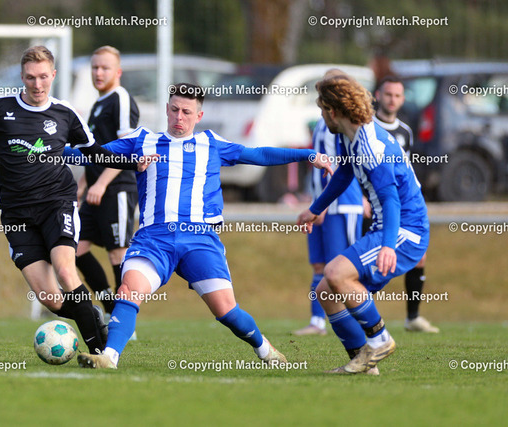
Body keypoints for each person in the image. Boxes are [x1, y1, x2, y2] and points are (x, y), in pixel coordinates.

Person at [0, 46, 152, 355]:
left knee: (66, 271)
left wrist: (132, 163)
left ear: (53, 75)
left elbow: (94, 153)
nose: (37, 84)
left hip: (57, 204)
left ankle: (101, 353)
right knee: (50, 299)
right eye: (31, 77)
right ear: (22, 77)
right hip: (17, 214)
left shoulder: (65, 113)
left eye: (43, 77)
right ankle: (93, 317)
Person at [68, 83, 333, 369]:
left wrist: (307, 155)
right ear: (166, 110)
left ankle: (264, 349)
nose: (179, 117)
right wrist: (46, 152)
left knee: (226, 310)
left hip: (200, 239)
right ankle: (110, 357)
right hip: (153, 238)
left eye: (186, 111)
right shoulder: (142, 140)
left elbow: (258, 154)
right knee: (128, 290)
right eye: (174, 110)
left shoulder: (211, 144)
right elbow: (91, 155)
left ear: (199, 115)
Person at [297, 71, 430, 374]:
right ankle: (364, 361)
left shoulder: (370, 145)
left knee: (335, 272)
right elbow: (344, 173)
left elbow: (392, 200)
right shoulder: (349, 134)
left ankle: (380, 340)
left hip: (405, 229)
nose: (321, 116)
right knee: (326, 291)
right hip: (389, 226)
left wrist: (388, 246)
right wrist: (315, 209)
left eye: (321, 109)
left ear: (332, 111)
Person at [75, 46, 139, 330]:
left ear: (118, 72)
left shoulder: (120, 98)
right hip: (95, 190)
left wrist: (101, 183)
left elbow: (127, 148)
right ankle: (111, 309)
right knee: (76, 249)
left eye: (105, 68)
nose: (98, 73)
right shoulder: (98, 104)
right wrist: (82, 185)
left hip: (117, 188)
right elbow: (95, 153)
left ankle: (124, 321)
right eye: (95, 67)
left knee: (118, 253)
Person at [373, 75, 438, 333]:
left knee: (419, 256)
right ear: (378, 96)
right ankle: (363, 317)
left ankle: (413, 317)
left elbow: (405, 173)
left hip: (401, 207)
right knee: (371, 262)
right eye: (388, 94)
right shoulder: (368, 128)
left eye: (398, 96)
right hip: (374, 207)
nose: (393, 100)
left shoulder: (405, 132)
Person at [293, 118, 363, 336]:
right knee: (319, 266)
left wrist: (322, 204)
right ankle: (317, 322)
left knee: (342, 269)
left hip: (342, 205)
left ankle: (362, 320)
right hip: (320, 204)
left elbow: (344, 166)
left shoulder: (342, 122)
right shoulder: (321, 123)